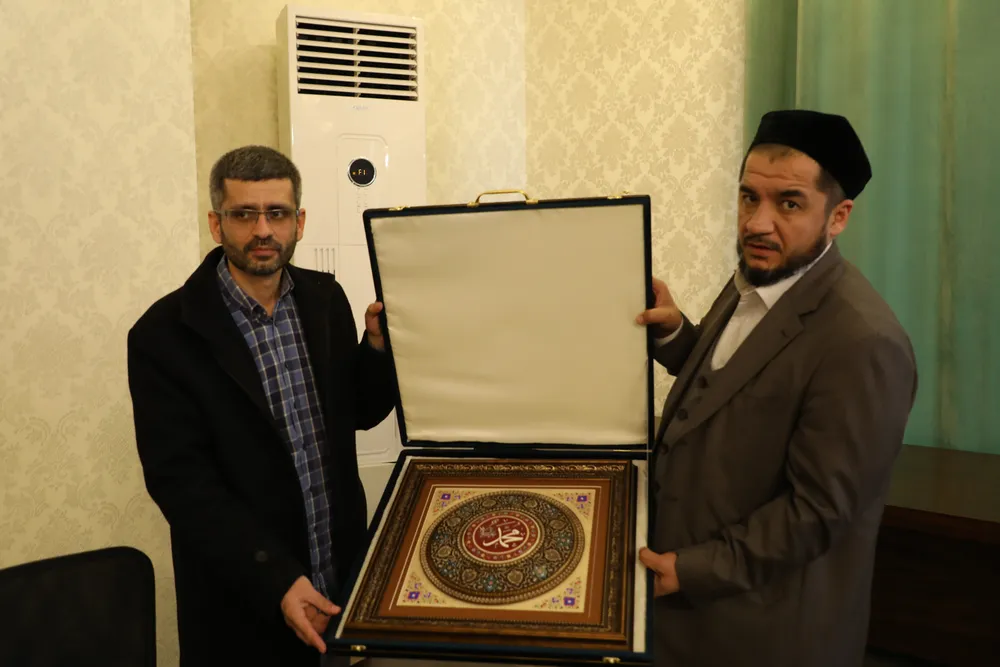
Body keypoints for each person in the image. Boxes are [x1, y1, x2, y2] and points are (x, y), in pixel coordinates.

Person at [635, 110, 918, 667]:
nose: (757, 223)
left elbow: (817, 510)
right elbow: (736, 388)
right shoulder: (760, 273)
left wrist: (692, 570)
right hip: (684, 612)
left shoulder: (863, 341)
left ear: (838, 216)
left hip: (762, 627)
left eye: (789, 203)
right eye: (749, 198)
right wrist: (675, 333)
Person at [127, 145, 397, 665]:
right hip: (244, 602)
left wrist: (377, 349)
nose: (262, 230)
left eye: (276, 213)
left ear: (299, 222)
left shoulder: (326, 299)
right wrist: (277, 578)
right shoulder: (163, 334)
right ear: (216, 224)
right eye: (243, 214)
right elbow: (182, 485)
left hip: (339, 581)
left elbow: (358, 413)